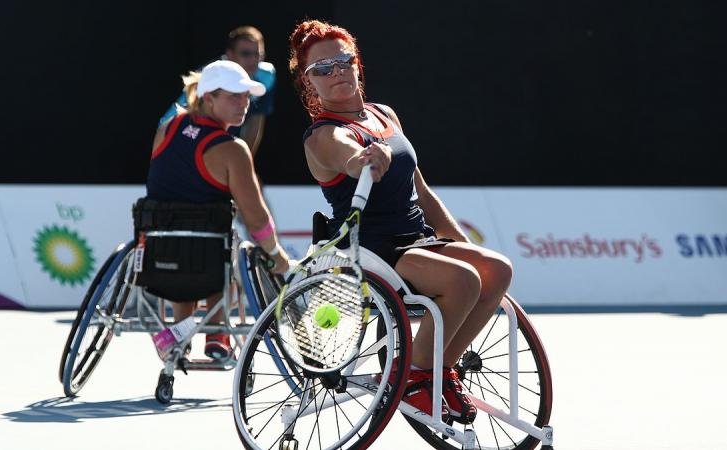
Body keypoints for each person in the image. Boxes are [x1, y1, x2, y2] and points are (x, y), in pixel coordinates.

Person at [289, 20, 513, 424]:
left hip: (416, 239)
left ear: (356, 64)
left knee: (496, 269)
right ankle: (413, 377)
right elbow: (348, 156)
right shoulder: (322, 136)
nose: (336, 72)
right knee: (463, 281)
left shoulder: (384, 113)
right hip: (372, 250)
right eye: (321, 69)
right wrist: (366, 159)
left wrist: (463, 243)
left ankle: (438, 370)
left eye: (342, 61)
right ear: (310, 83)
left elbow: (422, 193)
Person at [147, 60, 289, 359]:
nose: (244, 104)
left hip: (158, 257)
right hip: (208, 260)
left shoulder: (166, 128)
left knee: (193, 240)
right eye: (234, 96)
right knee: (223, 243)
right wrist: (277, 255)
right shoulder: (233, 150)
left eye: (247, 96)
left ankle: (179, 332)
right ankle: (216, 333)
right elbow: (256, 216)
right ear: (208, 97)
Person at [159, 26, 276, 157]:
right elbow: (168, 126)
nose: (253, 60)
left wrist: (244, 162)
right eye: (246, 54)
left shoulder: (267, 75)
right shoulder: (207, 78)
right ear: (230, 54)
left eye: (258, 55)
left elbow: (256, 120)